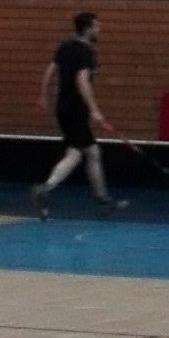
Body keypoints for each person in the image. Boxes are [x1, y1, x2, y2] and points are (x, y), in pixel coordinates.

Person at [30, 12, 125, 219]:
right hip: (76, 110)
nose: (99, 30)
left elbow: (50, 72)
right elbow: (82, 81)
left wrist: (43, 96)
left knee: (87, 152)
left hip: (62, 108)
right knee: (81, 153)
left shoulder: (65, 47)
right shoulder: (86, 52)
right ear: (88, 29)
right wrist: (95, 110)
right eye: (96, 26)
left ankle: (102, 201)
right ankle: (46, 188)